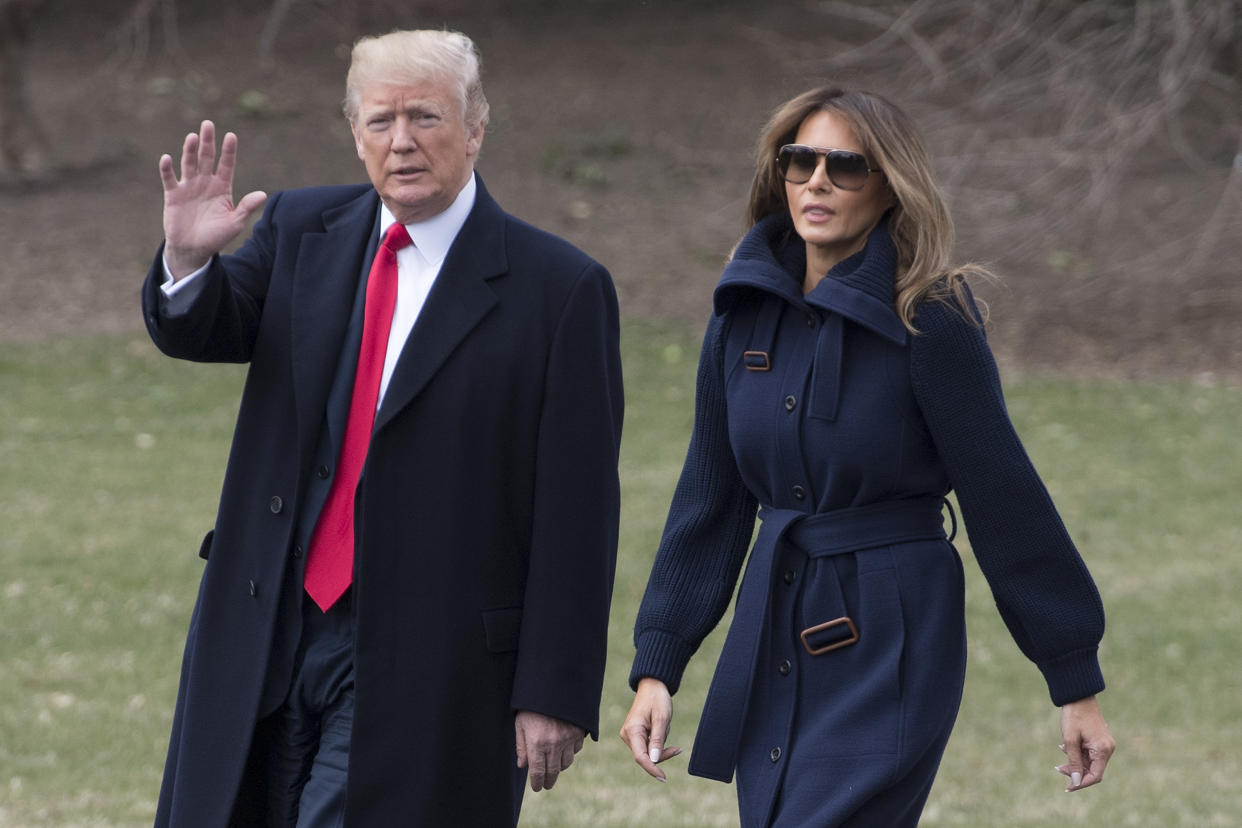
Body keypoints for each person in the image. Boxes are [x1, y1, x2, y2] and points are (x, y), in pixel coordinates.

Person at [141, 29, 623, 826]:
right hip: (271, 629)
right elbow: (206, 329)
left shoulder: (559, 289)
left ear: (475, 128)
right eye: (380, 121)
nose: (402, 141)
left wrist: (555, 688)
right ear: (355, 134)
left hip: (433, 655)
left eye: (426, 118)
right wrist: (188, 265)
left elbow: (578, 510)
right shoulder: (302, 231)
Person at [619, 86, 1115, 826]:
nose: (816, 181)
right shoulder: (740, 319)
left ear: (889, 188)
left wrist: (1073, 677)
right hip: (776, 616)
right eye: (800, 161)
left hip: (892, 632)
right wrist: (659, 664)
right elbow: (710, 503)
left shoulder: (930, 319)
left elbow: (1004, 498)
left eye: (845, 167)